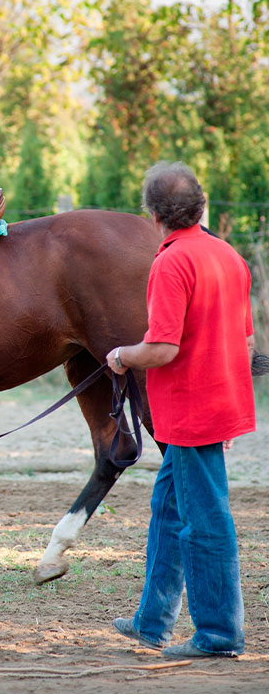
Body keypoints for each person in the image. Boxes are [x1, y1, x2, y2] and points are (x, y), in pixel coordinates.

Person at [106, 161, 255, 659]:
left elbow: (163, 348)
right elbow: (247, 340)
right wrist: (230, 408)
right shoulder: (228, 256)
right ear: (199, 207)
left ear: (153, 214)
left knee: (204, 522)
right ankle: (152, 621)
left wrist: (122, 356)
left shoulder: (171, 262)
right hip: (210, 406)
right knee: (168, 511)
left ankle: (218, 635)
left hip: (192, 412)